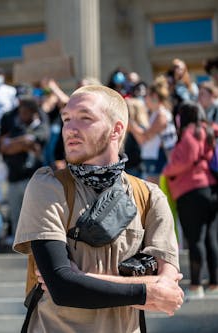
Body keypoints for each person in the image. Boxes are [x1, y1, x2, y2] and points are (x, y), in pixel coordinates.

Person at [13, 85, 184, 332]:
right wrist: (147, 288)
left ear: (116, 129)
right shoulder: (48, 185)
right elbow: (62, 288)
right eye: (66, 119)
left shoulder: (149, 196)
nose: (70, 129)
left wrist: (83, 278)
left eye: (85, 118)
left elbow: (168, 292)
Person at [162, 102, 218, 299]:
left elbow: (185, 159)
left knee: (195, 239)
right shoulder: (209, 130)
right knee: (211, 238)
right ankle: (214, 283)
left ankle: (195, 286)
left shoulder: (190, 132)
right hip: (211, 189)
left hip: (191, 192)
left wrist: (166, 171)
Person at [0, 97, 49, 244]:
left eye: (25, 112)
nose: (21, 115)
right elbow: (4, 147)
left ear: (33, 113)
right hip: (14, 178)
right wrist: (22, 143)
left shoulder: (41, 127)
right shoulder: (16, 127)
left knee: (34, 214)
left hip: (33, 179)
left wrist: (14, 145)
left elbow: (31, 142)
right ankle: (18, 245)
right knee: (16, 215)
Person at [129, 76, 177, 183]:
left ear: (154, 96)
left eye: (147, 95)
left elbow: (147, 136)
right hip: (153, 158)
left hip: (158, 158)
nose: (145, 99)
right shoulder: (155, 114)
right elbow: (144, 138)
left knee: (156, 195)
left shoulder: (161, 115)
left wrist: (132, 126)